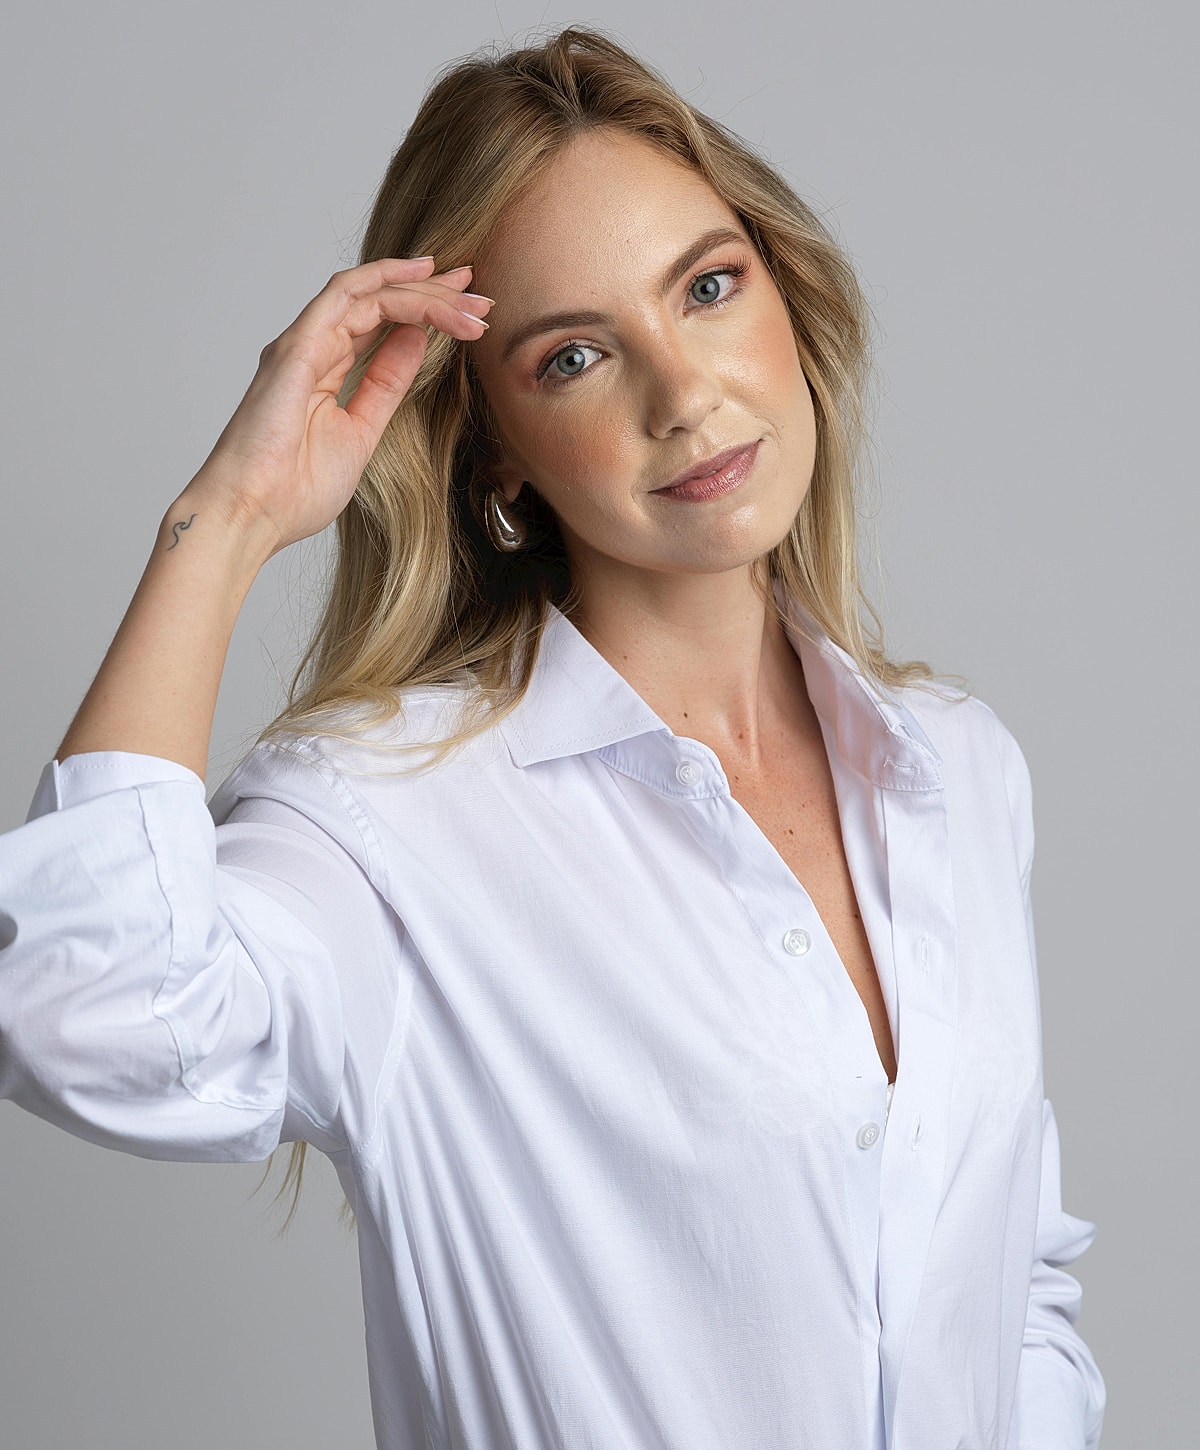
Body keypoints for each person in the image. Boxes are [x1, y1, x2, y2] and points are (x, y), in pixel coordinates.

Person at [0, 24, 1104, 1450]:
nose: (682, 391)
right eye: (576, 354)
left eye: (709, 288)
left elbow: (1011, 1271)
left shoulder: (956, 767)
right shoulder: (393, 821)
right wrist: (226, 523)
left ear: (786, 291)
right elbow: (79, 1007)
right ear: (495, 447)